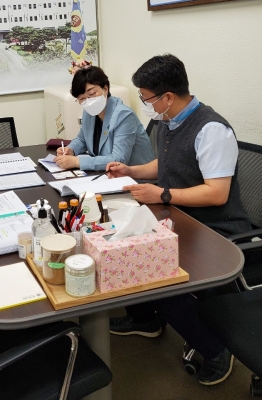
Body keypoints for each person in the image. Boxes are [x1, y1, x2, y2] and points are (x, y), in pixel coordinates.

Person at [106, 54, 251, 386]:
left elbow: (217, 193)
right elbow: (165, 164)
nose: (146, 105)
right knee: (122, 244)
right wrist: (130, 170)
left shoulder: (211, 129)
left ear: (168, 97)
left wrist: (162, 195)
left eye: (146, 99)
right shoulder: (169, 120)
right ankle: (145, 318)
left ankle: (214, 350)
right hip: (180, 218)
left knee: (155, 274)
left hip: (216, 228)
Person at [54, 65, 153, 171]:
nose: (88, 102)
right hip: (105, 174)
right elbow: (82, 139)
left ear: (105, 89)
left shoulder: (124, 116)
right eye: (82, 98)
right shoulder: (89, 112)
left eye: (92, 94)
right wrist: (71, 149)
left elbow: (118, 160)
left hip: (134, 176)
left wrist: (77, 162)